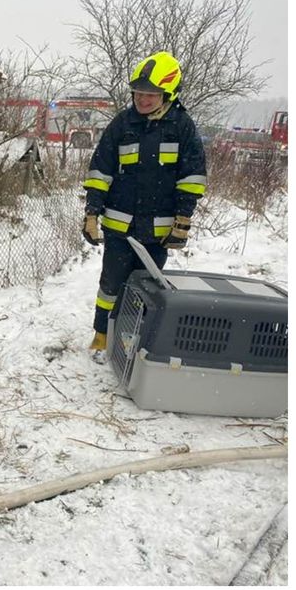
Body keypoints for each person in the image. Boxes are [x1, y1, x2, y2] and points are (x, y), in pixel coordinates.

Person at [82, 51, 206, 363]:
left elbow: (191, 178)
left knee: (145, 289)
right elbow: (100, 171)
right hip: (119, 228)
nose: (142, 99)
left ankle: (129, 339)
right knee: (110, 284)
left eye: (150, 94)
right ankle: (101, 335)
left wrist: (183, 220)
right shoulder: (122, 125)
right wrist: (91, 213)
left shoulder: (183, 128)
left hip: (159, 232)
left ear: (168, 94)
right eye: (138, 93)